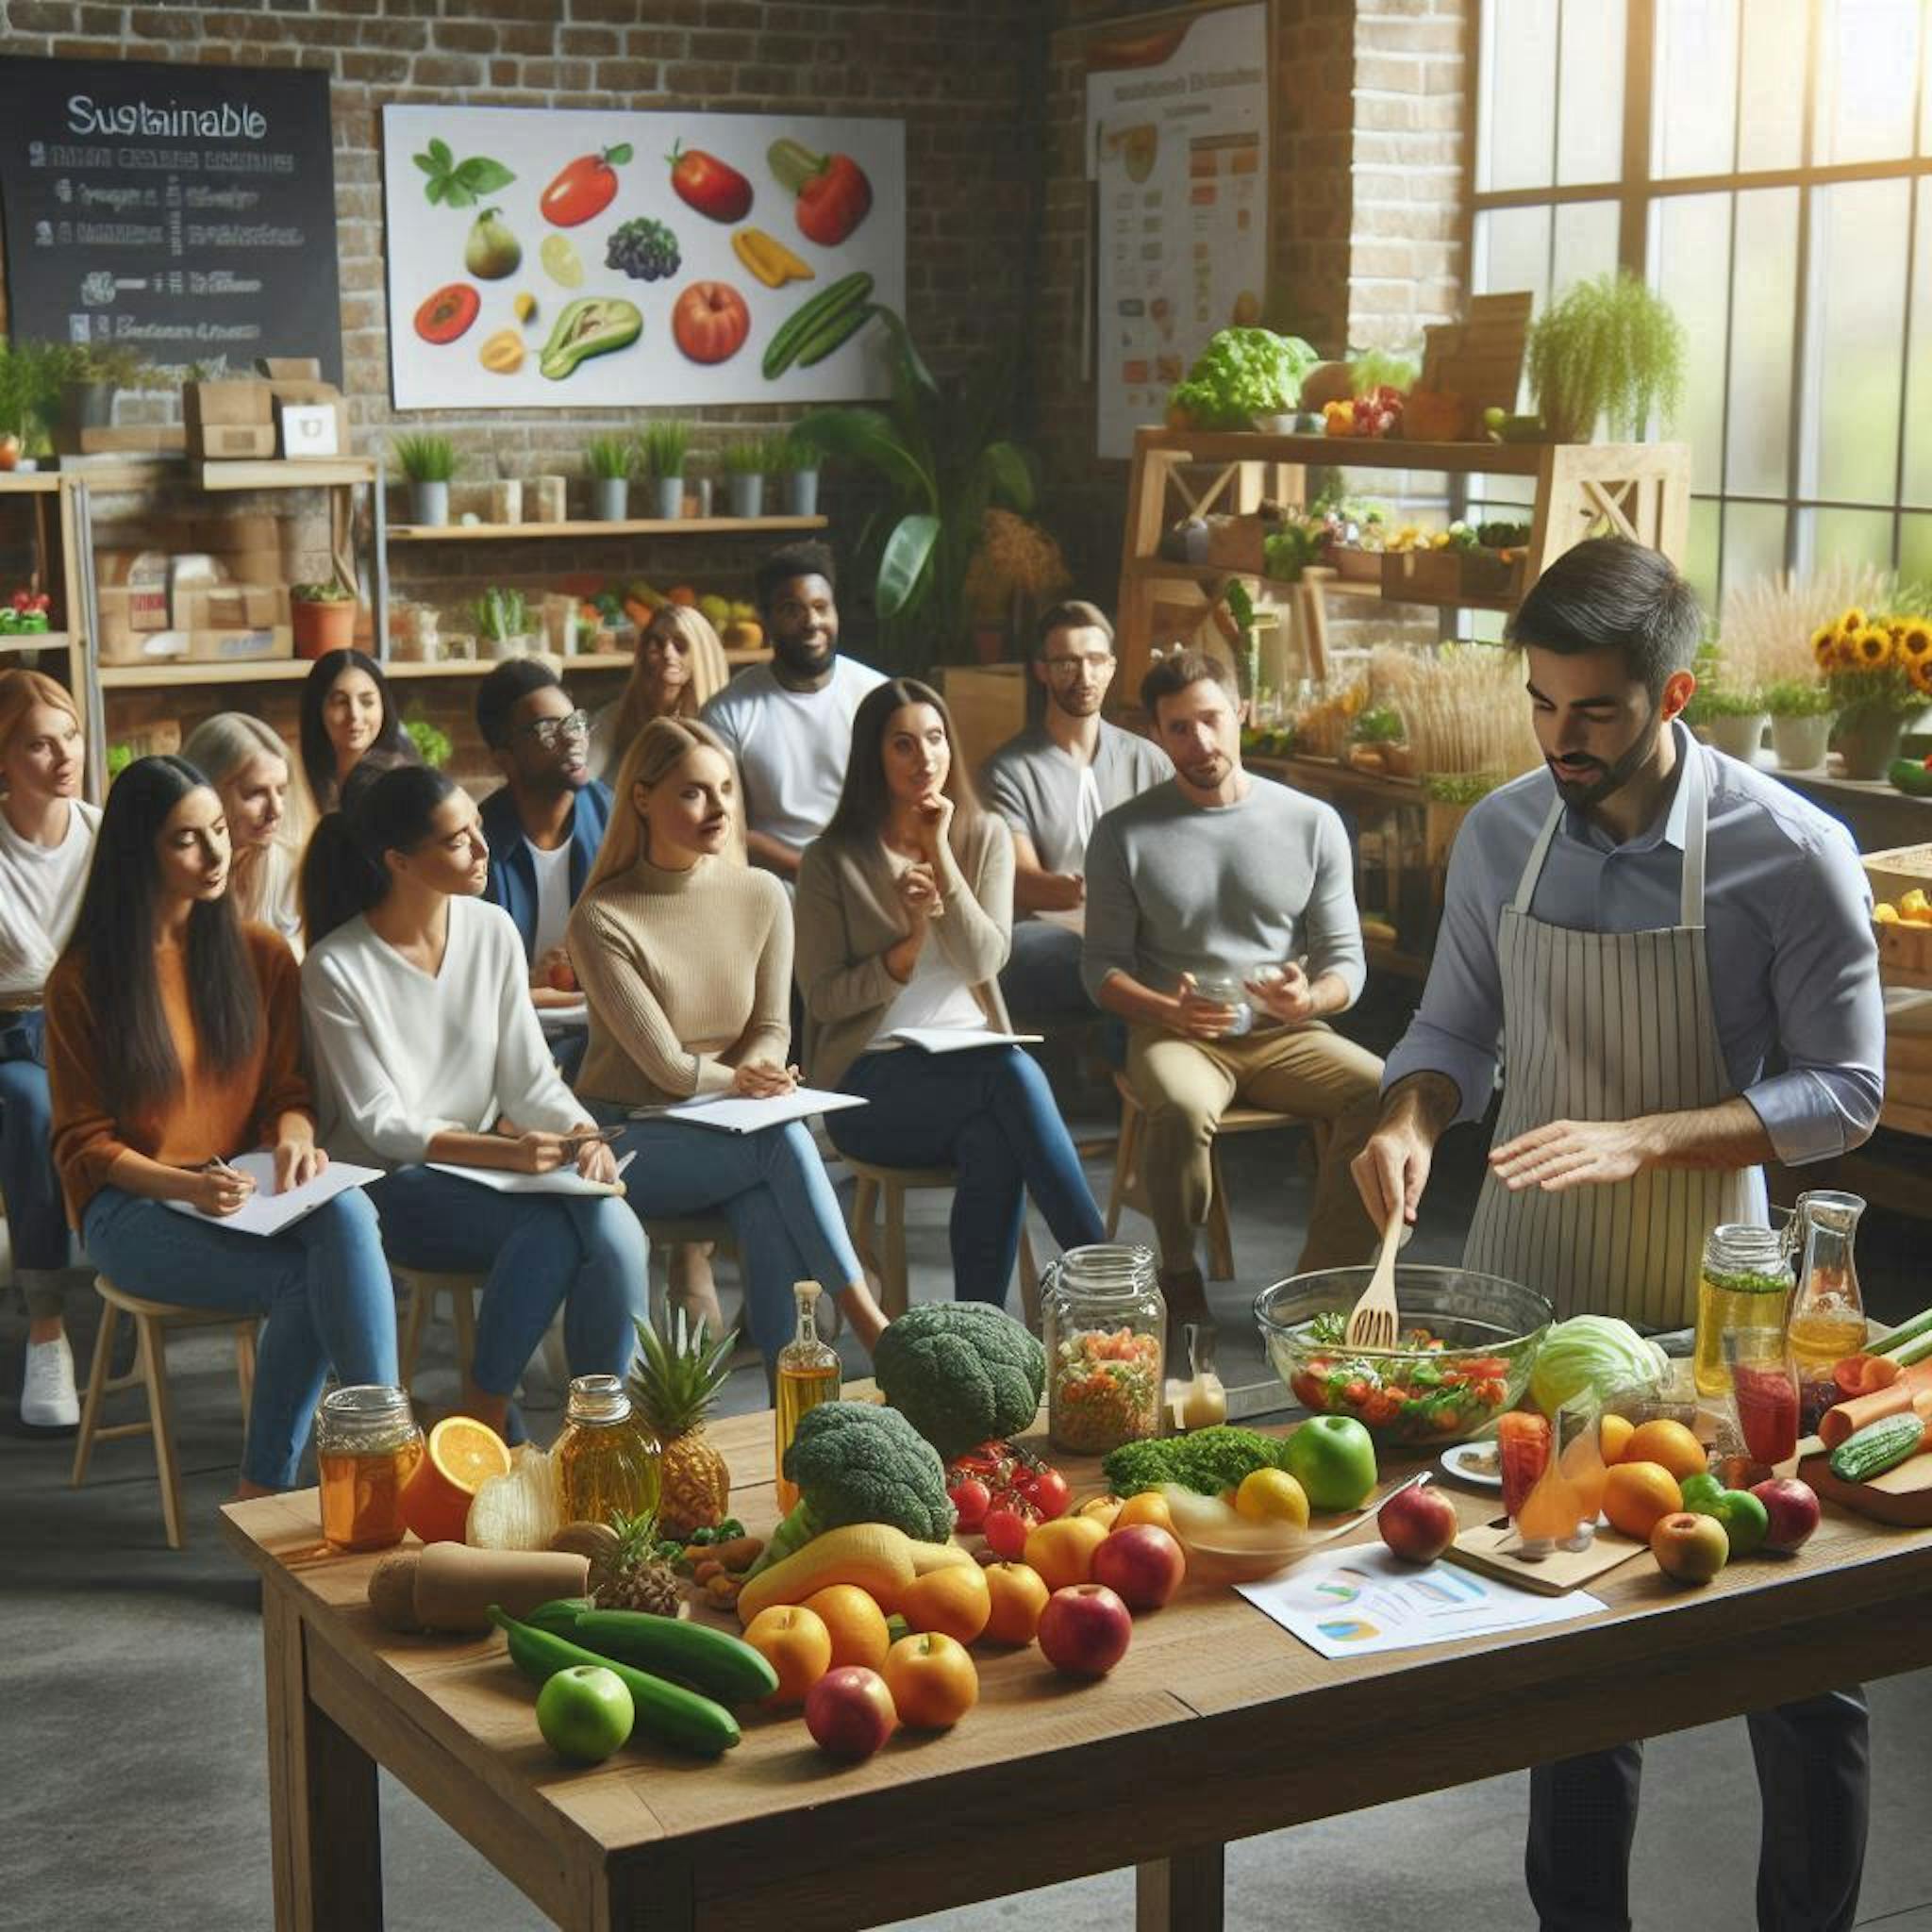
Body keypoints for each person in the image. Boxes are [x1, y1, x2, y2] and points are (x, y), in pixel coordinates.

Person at [1351, 537, 1882, 1932]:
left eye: (1593, 711)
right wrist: (1411, 1117)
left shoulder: (1792, 851)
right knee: (1565, 1650)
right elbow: (1453, 1029)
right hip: (1542, 1289)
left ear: (1676, 691)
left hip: (1720, 1300)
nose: (1559, 741)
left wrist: (1647, 1137)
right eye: (1541, 703)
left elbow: (1848, 1093)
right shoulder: (1501, 834)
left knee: (1789, 1653)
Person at [43, 757, 395, 1495]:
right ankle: (271, 1490)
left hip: (244, 1186)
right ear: (140, 852)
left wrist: (295, 1136)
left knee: (348, 1209)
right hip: (131, 1208)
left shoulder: (261, 955)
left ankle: (381, 1450)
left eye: (217, 833)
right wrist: (186, 1187)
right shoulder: (81, 980)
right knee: (304, 1284)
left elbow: (287, 1092)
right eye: (186, 841)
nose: (214, 856)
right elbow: (86, 1144)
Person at [301, 762, 646, 1439]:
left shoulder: (491, 931)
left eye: (478, 829)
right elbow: (381, 1123)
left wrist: (583, 1132)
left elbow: (526, 1078)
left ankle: (599, 1437)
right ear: (400, 861)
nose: (484, 850)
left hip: (486, 1173)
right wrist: (509, 1153)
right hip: (389, 1187)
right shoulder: (336, 968)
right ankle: (488, 1415)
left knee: (612, 1231)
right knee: (553, 1230)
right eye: (458, 840)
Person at [1082, 649, 1383, 1338]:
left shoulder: (1311, 822)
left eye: (1212, 719)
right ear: (1156, 734)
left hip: (1285, 1033)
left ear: (1241, 711)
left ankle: (1318, 1290)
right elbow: (1098, 970)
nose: (1201, 743)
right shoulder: (1123, 833)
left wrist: (1309, 999)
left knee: (1384, 1091)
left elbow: (1346, 964)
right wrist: (1166, 1009)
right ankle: (1180, 1269)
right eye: (1179, 728)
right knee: (1183, 1109)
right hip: (1176, 1034)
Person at [569, 716, 889, 1363]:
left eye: (725, 789)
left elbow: (772, 1026)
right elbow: (664, 1067)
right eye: (692, 792)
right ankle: (870, 1325)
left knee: (768, 1198)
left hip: (727, 1123)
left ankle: (787, 1409)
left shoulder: (763, 894)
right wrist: (742, 1082)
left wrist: (764, 1070)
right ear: (642, 798)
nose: (717, 807)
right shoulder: (602, 916)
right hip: (625, 1138)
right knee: (781, 1145)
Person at [796, 679, 1106, 1307]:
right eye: (903, 744)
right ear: (873, 757)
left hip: (970, 1065)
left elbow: (986, 956)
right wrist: (906, 947)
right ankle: (1101, 1273)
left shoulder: (982, 834)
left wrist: (940, 854)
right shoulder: (831, 859)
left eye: (935, 739)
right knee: (1012, 1075)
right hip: (867, 1083)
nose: (924, 758)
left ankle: (978, 1332)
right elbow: (825, 1000)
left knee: (992, 1137)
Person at [981, 600, 1171, 1022]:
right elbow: (1024, 884)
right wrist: (1106, 889)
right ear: (1041, 670)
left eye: (1095, 661)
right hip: (1054, 930)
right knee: (1061, 953)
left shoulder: (1149, 760)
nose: (1084, 677)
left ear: (1112, 667)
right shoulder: (1009, 769)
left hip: (1139, 928)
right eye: (1066, 663)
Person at [0, 672, 100, 1427]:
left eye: (69, 735)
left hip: (99, 1031)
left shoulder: (110, 839)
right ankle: (46, 1330)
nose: (63, 755)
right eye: (38, 742)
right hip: (12, 1039)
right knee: (34, 1103)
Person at [701, 540, 885, 884]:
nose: (811, 621)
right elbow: (724, 825)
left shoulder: (877, 695)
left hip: (870, 874)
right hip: (776, 884)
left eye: (820, 607)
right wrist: (815, 873)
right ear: (766, 621)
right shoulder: (727, 713)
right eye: (792, 610)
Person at [475, 658, 611, 1082]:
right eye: (548, 730)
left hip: (606, 1033)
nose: (572, 739)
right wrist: (527, 983)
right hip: (504, 1041)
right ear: (506, 759)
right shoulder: (477, 843)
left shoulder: (617, 819)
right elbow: (465, 986)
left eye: (575, 722)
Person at [181, 712, 307, 952]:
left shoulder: (287, 867)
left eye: (281, 791)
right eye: (255, 792)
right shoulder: (177, 871)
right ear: (208, 791)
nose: (276, 809)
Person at [590, 601, 732, 785]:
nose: (668, 653)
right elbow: (584, 777)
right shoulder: (614, 717)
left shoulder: (722, 723)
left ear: (701, 655)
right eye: (656, 644)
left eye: (680, 645)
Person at [297, 647, 416, 815]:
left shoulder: (404, 783)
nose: (354, 714)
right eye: (340, 702)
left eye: (367, 702)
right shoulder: (294, 773)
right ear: (316, 708)